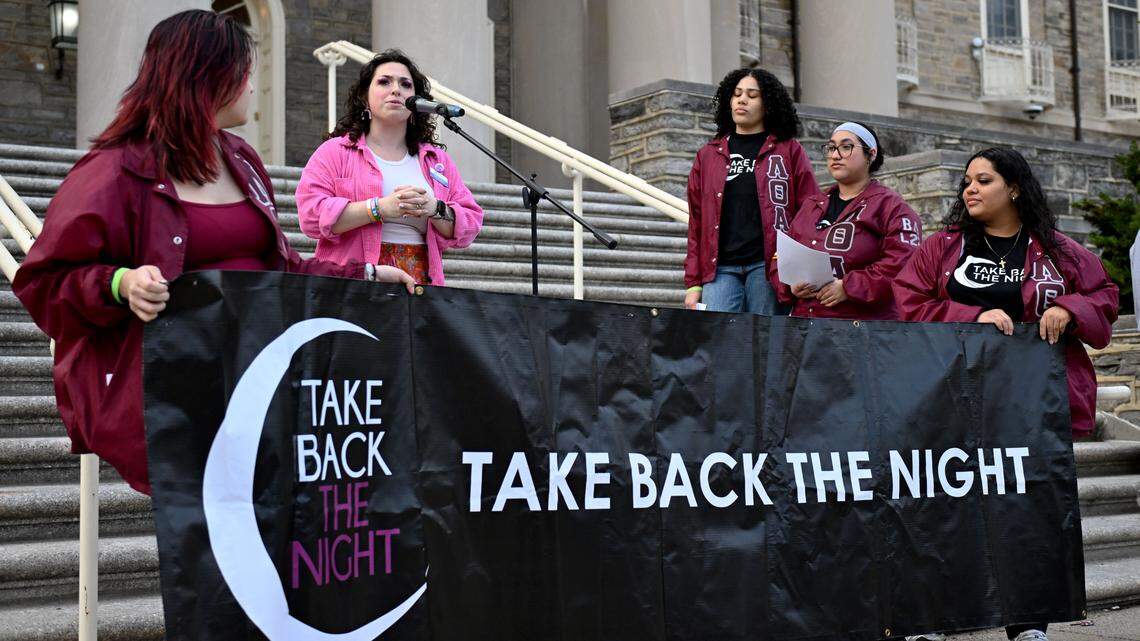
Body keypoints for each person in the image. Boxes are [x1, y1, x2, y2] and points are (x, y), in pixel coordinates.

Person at [11, 10, 414, 495]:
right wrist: (121, 284)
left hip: (254, 385)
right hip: (176, 395)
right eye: (243, 71)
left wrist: (366, 276)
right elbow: (44, 281)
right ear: (207, 76)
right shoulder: (114, 171)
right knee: (203, 550)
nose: (251, 84)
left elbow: (281, 268)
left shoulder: (241, 158)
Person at [895, 147, 1118, 455]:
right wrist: (973, 316)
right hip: (958, 393)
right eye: (967, 182)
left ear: (1014, 188)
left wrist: (1069, 308)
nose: (970, 189)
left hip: (1039, 397)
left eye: (984, 180)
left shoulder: (1057, 249)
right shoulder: (941, 247)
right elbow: (907, 304)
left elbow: (1104, 294)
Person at [296, 49, 483, 286]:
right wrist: (379, 208)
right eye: (384, 82)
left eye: (406, 85)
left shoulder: (437, 160)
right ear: (365, 97)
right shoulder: (335, 152)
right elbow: (311, 216)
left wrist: (434, 208)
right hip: (353, 282)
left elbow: (469, 224)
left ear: (416, 103)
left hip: (420, 283)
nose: (396, 89)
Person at [684, 67, 819, 314]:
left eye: (752, 95)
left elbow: (809, 210)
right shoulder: (708, 155)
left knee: (766, 344)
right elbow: (697, 221)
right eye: (736, 94)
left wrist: (801, 268)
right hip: (719, 269)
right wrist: (693, 283)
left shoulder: (788, 150)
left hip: (768, 267)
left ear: (768, 104)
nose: (742, 99)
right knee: (721, 344)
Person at [781, 122, 922, 320]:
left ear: (871, 155)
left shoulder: (892, 207)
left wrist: (848, 287)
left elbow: (903, 264)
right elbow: (783, 253)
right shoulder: (811, 206)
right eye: (831, 148)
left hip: (861, 330)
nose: (835, 155)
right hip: (806, 327)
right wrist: (790, 285)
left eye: (846, 147)